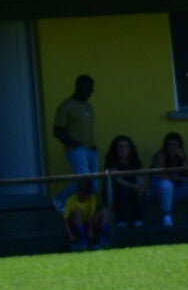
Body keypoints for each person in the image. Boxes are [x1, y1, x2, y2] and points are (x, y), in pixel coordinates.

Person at [52, 75, 97, 205]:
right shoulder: (66, 106)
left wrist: (93, 146)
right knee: (85, 180)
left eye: (92, 90)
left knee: (94, 185)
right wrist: (74, 144)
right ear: (79, 87)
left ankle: (86, 210)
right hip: (76, 149)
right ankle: (60, 198)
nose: (90, 92)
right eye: (88, 89)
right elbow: (57, 131)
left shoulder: (88, 106)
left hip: (91, 149)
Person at [150, 131, 188, 227]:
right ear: (165, 146)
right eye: (170, 145)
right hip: (160, 191)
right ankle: (167, 217)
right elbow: (161, 175)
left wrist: (183, 158)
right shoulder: (160, 155)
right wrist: (180, 178)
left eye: (176, 145)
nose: (173, 148)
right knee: (166, 184)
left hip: (177, 190)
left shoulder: (181, 156)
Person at [102, 135, 146, 227]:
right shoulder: (111, 161)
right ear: (115, 149)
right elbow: (118, 179)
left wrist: (140, 187)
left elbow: (139, 176)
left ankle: (138, 219)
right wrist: (134, 186)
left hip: (133, 189)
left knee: (141, 192)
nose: (123, 149)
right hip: (115, 191)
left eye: (125, 146)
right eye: (120, 147)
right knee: (123, 191)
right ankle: (120, 220)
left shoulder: (135, 161)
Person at [63, 177, 110, 250]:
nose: (85, 197)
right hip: (76, 224)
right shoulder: (70, 200)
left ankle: (104, 240)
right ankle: (82, 241)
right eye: (83, 194)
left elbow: (91, 216)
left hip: (88, 223)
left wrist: (90, 230)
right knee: (78, 212)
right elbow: (66, 219)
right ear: (78, 191)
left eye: (87, 195)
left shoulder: (92, 199)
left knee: (105, 211)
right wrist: (70, 234)